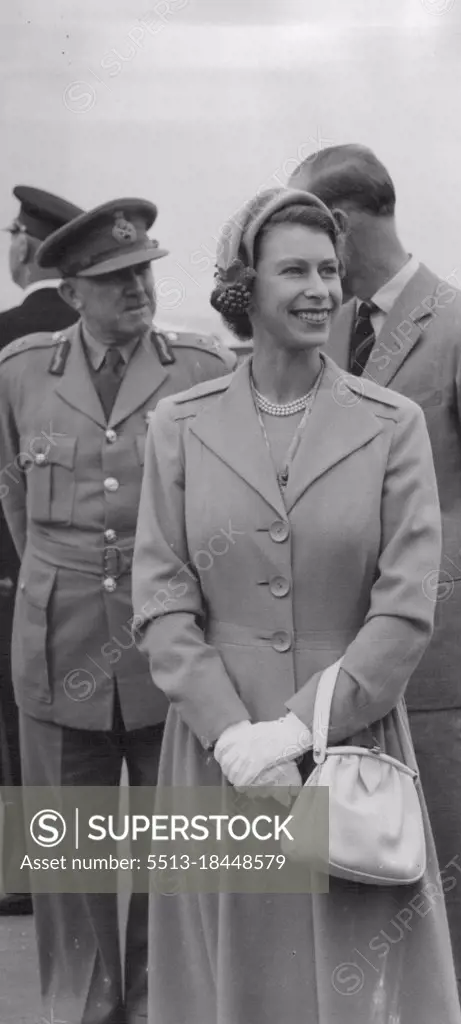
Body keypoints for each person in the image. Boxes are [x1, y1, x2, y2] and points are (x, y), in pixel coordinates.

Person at [131, 186, 461, 1024]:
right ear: (245, 287)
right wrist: (237, 735)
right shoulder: (180, 423)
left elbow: (407, 602)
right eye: (295, 271)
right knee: (228, 983)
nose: (320, 289)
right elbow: (163, 596)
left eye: (329, 270)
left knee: (355, 982)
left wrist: (301, 728)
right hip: (219, 751)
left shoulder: (392, 424)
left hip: (346, 746)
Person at [289, 145, 461, 1024]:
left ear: (340, 225)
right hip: (330, 679)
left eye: (307, 228)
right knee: (339, 900)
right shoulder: (324, 331)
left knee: (444, 903)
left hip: (439, 677)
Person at [0, 196, 235, 1024]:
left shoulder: (203, 371)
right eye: (113, 277)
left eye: (141, 270)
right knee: (69, 848)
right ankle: (85, 1004)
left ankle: (159, 1000)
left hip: (169, 642)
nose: (136, 287)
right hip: (59, 643)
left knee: (184, 847)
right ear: (71, 292)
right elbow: (15, 501)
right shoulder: (20, 372)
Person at [0, 185, 84, 917]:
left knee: (16, 718)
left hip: (14, 565)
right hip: (84, 574)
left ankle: (23, 872)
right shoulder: (97, 336)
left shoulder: (5, 338)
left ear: (26, 245)